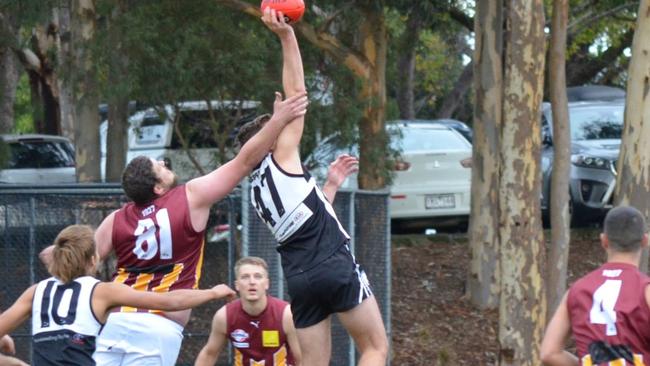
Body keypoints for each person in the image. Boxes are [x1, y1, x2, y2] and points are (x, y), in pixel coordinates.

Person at [34, 91, 306, 366]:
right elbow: (244, 161)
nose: (164, 163)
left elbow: (64, 257)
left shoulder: (116, 219)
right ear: (158, 187)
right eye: (159, 167)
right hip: (159, 326)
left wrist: (55, 252)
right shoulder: (191, 197)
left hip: (114, 323)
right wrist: (278, 120)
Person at [235, 9, 388, 365]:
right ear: (269, 143)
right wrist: (287, 37)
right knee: (374, 348)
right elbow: (297, 93)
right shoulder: (281, 156)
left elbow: (307, 220)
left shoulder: (256, 191)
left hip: (300, 280)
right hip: (334, 265)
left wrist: (331, 186)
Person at [1, 225, 235, 366]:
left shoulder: (36, 292)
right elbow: (170, 301)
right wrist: (212, 292)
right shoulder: (101, 292)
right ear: (93, 259)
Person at [541, 206, 650, 366]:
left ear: (604, 241)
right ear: (645, 241)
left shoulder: (577, 290)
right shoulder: (646, 291)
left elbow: (549, 353)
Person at [194, 256, 301, 366]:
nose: (252, 282)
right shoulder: (224, 316)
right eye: (245, 277)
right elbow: (209, 354)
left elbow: (302, 358)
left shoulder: (286, 314)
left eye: (258, 276)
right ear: (237, 285)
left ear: (267, 284)